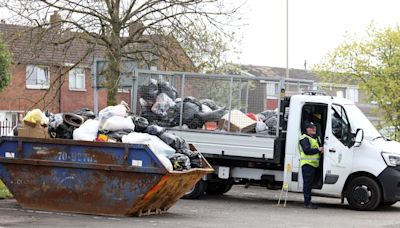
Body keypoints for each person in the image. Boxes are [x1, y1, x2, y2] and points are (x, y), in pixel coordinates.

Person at [299, 122, 323, 209]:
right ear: (307, 129)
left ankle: (308, 201)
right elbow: (307, 150)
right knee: (307, 184)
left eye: (314, 128)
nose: (314, 129)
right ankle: (307, 203)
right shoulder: (304, 138)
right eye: (312, 128)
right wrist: (318, 149)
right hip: (307, 164)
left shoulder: (314, 138)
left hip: (313, 165)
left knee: (309, 184)